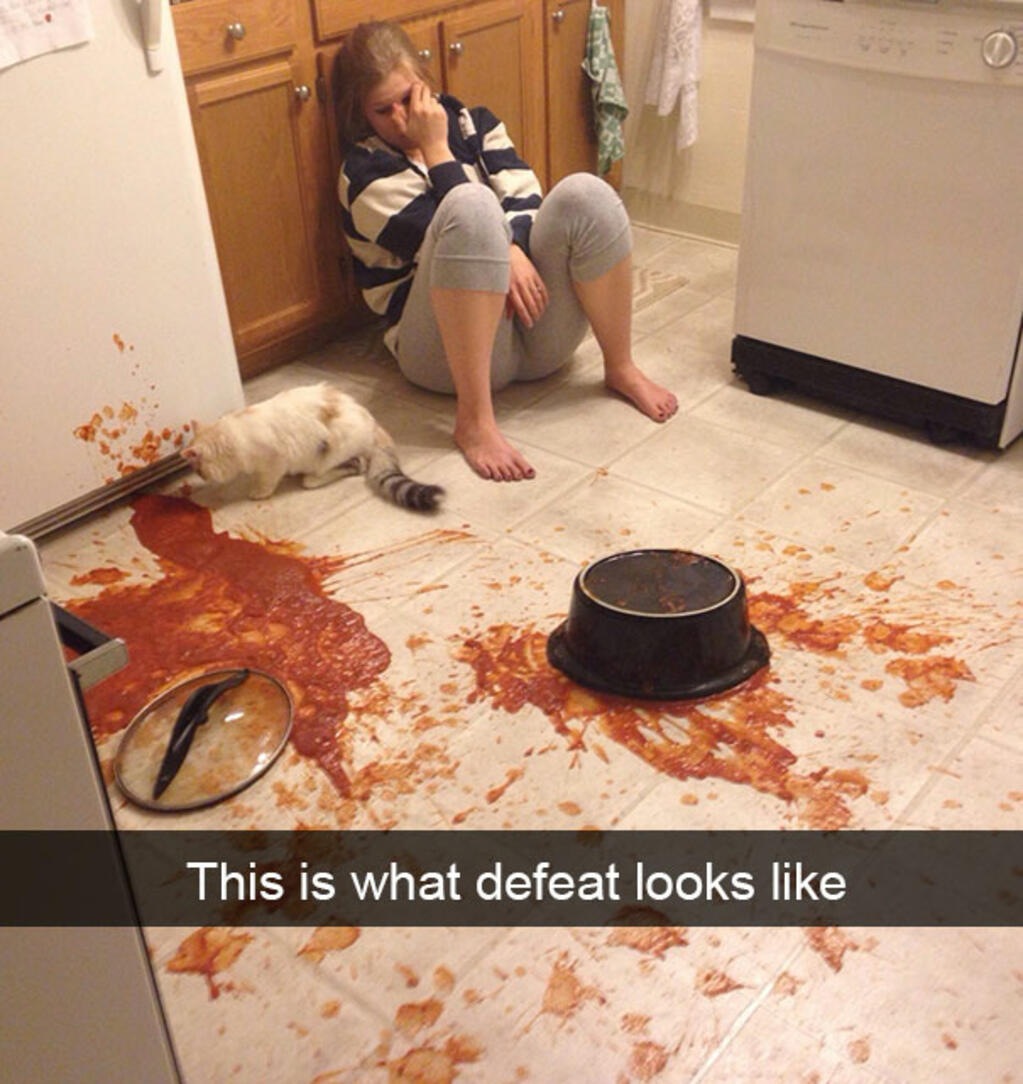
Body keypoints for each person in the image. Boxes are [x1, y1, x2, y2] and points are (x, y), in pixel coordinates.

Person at [334, 21, 678, 482]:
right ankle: (475, 422)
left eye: (408, 98)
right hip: (440, 359)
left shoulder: (474, 123)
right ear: (360, 113)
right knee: (469, 205)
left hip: (532, 333)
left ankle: (621, 367)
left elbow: (527, 200)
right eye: (382, 110)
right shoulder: (362, 174)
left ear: (426, 82)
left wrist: (513, 247)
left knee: (586, 193)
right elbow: (449, 240)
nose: (401, 119)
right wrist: (435, 149)